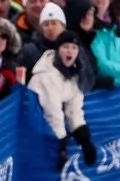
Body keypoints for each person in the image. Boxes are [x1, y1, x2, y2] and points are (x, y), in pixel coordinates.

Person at [31, 30, 100, 167]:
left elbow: (74, 110)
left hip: (48, 127)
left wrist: (85, 141)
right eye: (66, 47)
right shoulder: (48, 75)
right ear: (58, 50)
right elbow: (52, 112)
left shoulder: (74, 74)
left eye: (74, 48)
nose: (70, 51)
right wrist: (61, 145)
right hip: (34, 125)